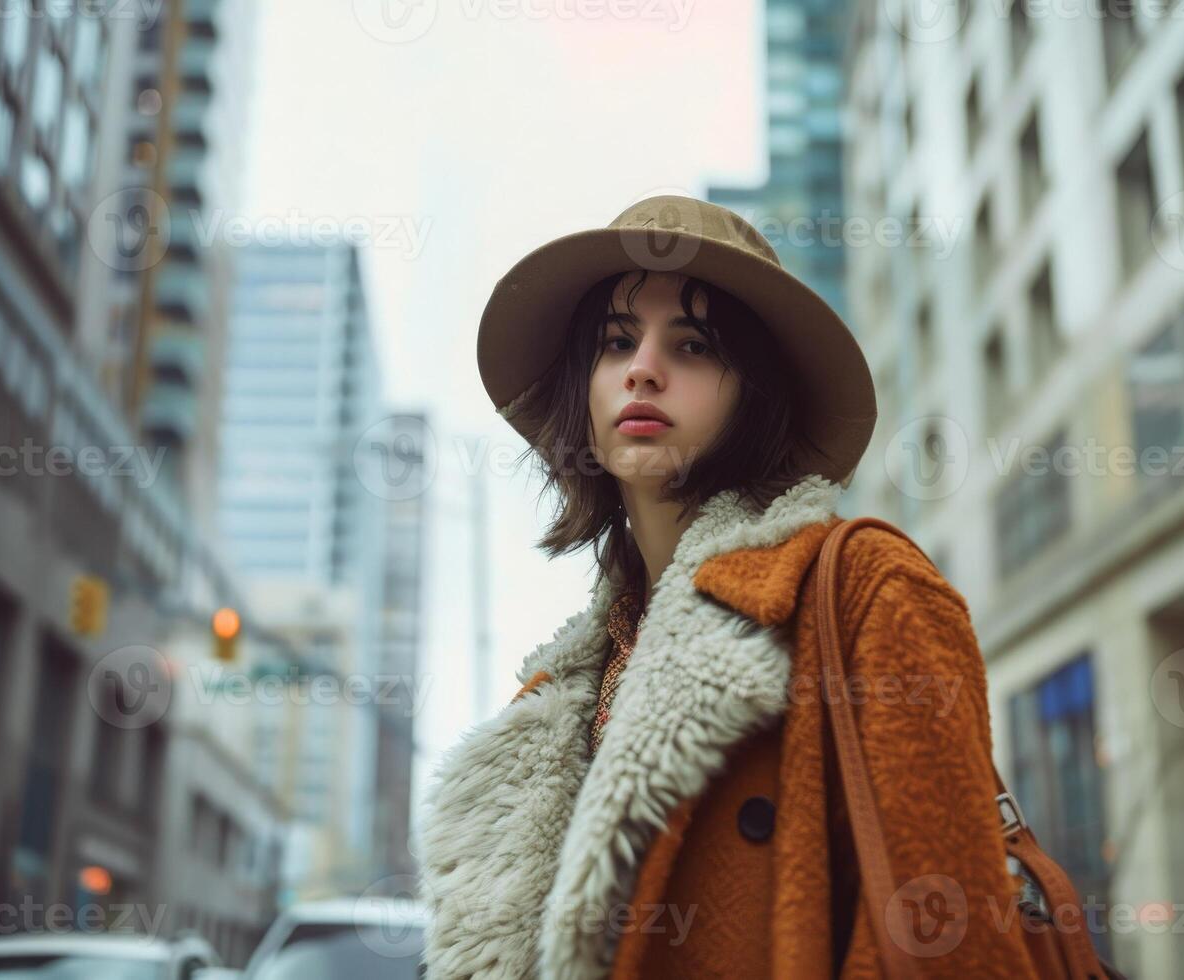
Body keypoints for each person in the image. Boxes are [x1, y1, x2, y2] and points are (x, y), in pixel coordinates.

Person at [419, 195, 1039, 978]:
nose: (644, 367)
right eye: (617, 341)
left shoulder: (863, 594)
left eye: (693, 345)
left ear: (758, 393)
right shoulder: (556, 691)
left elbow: (958, 947)